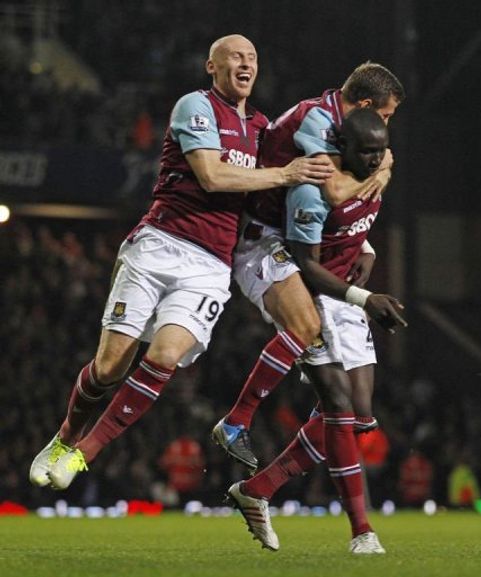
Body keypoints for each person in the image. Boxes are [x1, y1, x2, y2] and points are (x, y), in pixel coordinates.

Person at [28, 34, 335, 490]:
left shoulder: (264, 130)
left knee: (166, 356)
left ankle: (82, 455)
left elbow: (286, 185)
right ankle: (64, 438)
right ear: (212, 66)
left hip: (210, 267)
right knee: (110, 366)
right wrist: (284, 173)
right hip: (158, 246)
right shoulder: (195, 105)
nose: (245, 63)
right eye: (235, 56)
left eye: (252, 57)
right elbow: (211, 175)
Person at [225, 108, 404, 554]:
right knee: (339, 407)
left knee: (360, 415)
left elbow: (353, 221)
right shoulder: (312, 191)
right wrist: (366, 297)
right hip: (315, 294)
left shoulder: (379, 167)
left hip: (345, 293)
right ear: (341, 148)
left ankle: (259, 488)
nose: (375, 159)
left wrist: (367, 246)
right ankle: (362, 532)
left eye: (379, 151)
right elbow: (306, 266)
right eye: (366, 152)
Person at [213, 62, 406, 472]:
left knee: (346, 404)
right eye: (384, 114)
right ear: (366, 104)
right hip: (264, 234)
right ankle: (237, 421)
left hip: (292, 231)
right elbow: (334, 191)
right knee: (305, 328)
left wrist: (365, 245)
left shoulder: (343, 124)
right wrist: (383, 171)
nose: (383, 128)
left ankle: (259, 487)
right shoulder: (317, 118)